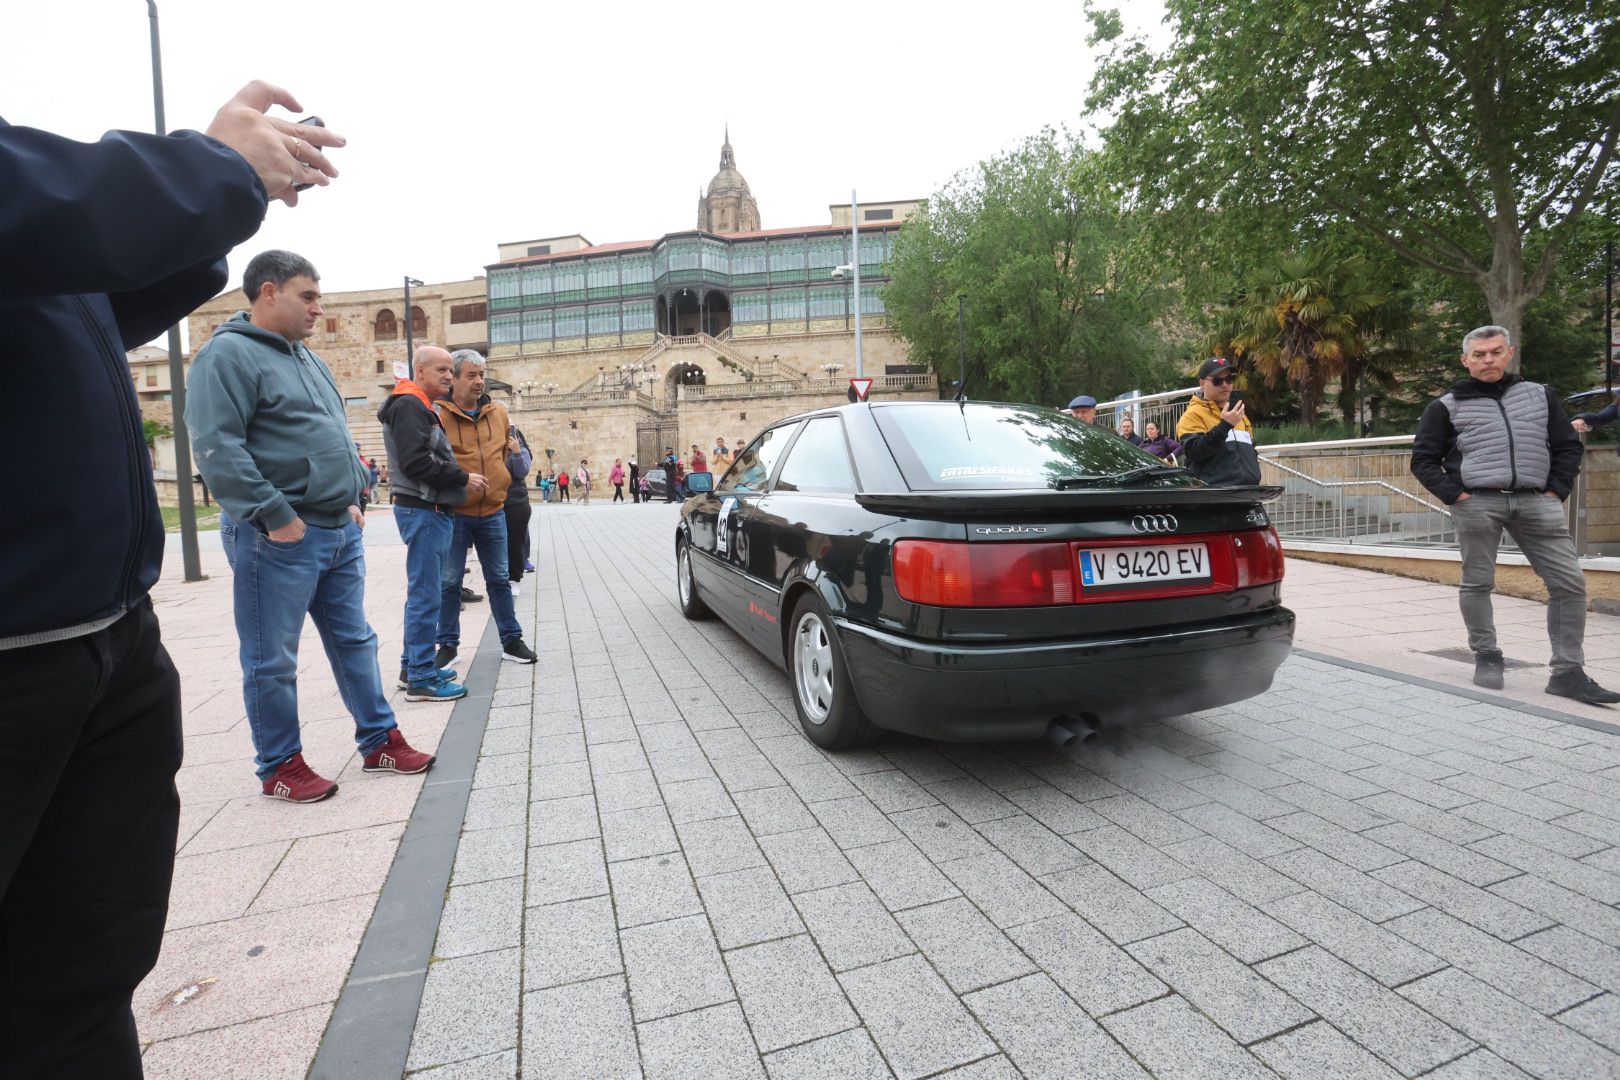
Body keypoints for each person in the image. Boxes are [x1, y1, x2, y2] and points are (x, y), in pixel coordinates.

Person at [1, 78, 342, 1080]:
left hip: (95, 642)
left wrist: (209, 217)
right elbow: (42, 200)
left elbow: (75, 292)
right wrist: (213, 169)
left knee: (79, 979)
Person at [188, 249, 437, 805]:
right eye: (308, 296)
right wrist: (275, 516)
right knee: (271, 657)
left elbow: (333, 432)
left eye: (320, 296)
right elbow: (216, 447)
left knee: (355, 640)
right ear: (268, 292)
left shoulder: (306, 357)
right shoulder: (226, 356)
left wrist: (352, 495)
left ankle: (380, 741)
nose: (319, 308)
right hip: (276, 535)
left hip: (336, 528)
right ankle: (279, 764)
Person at [1412, 325, 1618, 704]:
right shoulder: (1446, 405)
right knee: (1478, 583)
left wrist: (1556, 490)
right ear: (1466, 360)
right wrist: (1457, 495)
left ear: (1510, 353)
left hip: (1537, 501)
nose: (1487, 359)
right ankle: (1487, 655)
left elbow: (1567, 446)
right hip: (1477, 503)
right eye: (1479, 354)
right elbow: (1423, 460)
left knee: (1570, 583)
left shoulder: (1540, 395)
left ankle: (1568, 672)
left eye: (1495, 352)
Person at [378, 346, 474, 701]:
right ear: (419, 371)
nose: (450, 376)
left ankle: (412, 666)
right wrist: (462, 476)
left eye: (451, 370)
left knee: (424, 591)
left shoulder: (416, 404)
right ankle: (419, 677)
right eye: (442, 370)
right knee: (425, 593)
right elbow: (416, 462)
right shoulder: (410, 405)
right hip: (424, 508)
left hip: (426, 507)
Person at [435, 351, 538, 667]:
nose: (479, 381)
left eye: (481, 374)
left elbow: (505, 455)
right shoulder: (438, 415)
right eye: (471, 375)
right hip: (455, 513)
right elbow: (433, 462)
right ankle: (448, 646)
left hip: (494, 510)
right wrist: (457, 484)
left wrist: (501, 479)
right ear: (453, 378)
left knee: (499, 578)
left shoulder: (499, 414)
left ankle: (511, 640)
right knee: (450, 581)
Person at [1176, 357, 1260, 486]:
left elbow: (1250, 452)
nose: (1225, 385)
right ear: (1202, 384)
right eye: (1217, 381)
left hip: (1247, 492)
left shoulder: (1238, 415)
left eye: (1229, 379)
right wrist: (1224, 426)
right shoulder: (1192, 415)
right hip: (1215, 496)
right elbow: (1194, 453)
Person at [505, 427, 533, 593]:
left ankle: (514, 578)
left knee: (515, 543)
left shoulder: (521, 450)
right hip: (496, 502)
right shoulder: (492, 448)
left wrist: (515, 452)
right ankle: (502, 578)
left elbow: (522, 471)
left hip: (516, 502)